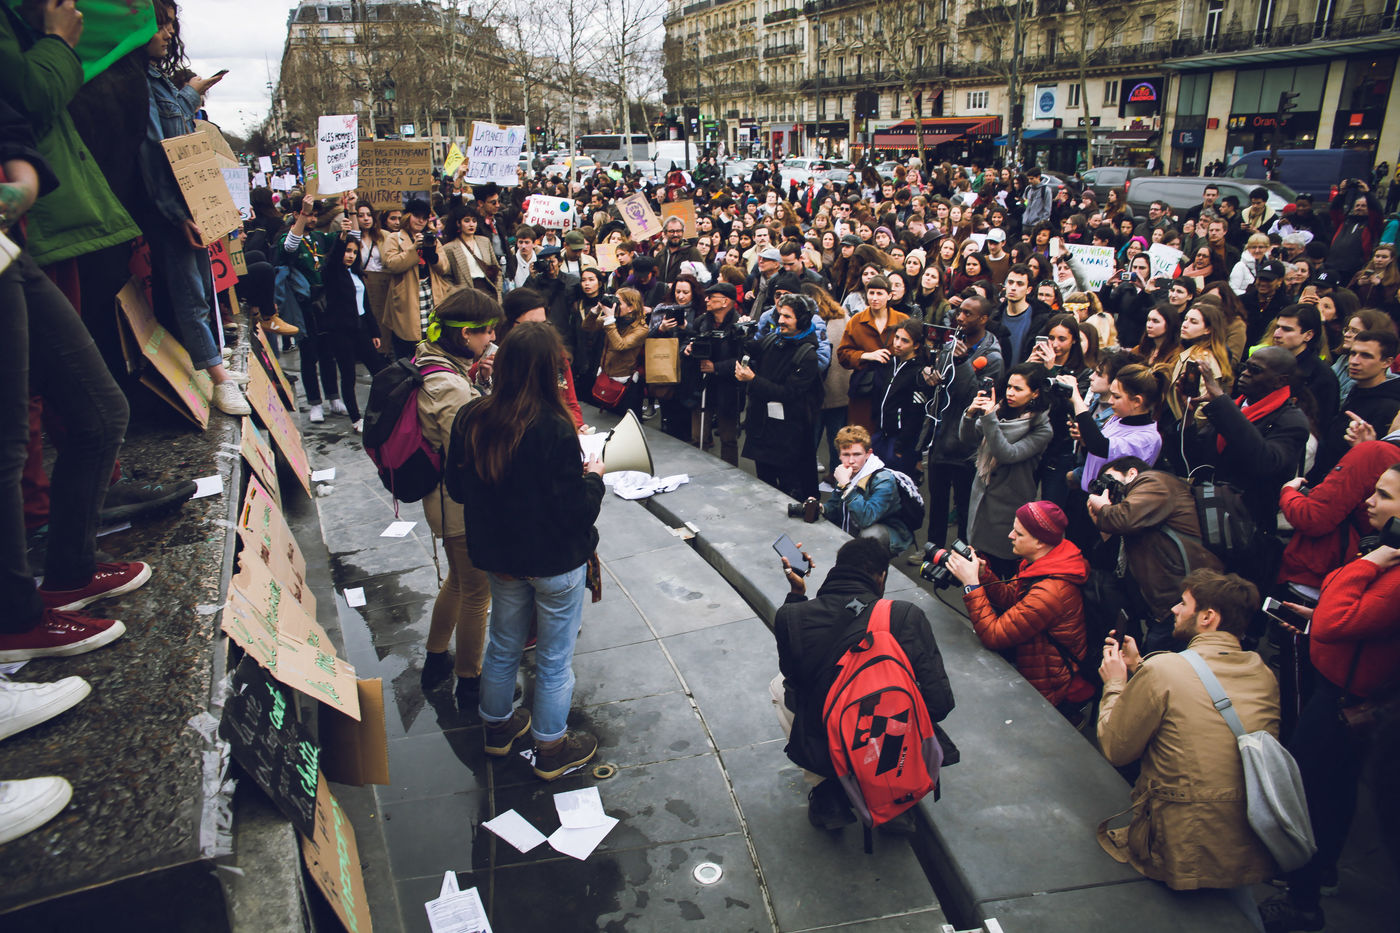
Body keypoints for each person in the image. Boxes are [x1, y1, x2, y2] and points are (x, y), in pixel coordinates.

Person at [452, 322, 604, 781]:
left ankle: (497, 729)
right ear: (545, 371)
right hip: (553, 561)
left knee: (503, 645)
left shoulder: (472, 416)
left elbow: (458, 489)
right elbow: (574, 511)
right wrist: (594, 478)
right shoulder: (552, 426)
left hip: (501, 558)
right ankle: (551, 747)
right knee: (554, 659)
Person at [1259, 464, 1400, 933]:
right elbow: (1339, 608)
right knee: (1333, 788)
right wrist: (1317, 616)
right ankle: (1320, 873)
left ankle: (1303, 901)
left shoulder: (1392, 568)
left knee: (1313, 791)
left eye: (1384, 496)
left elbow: (1341, 617)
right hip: (1336, 686)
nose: (1370, 502)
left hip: (1345, 701)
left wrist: (1371, 562)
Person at [1096, 570, 1278, 930]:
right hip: (1244, 839)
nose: (1175, 610)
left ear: (1208, 617)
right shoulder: (1263, 673)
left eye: (1184, 603)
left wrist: (1117, 684)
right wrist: (1140, 667)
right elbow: (1198, 698)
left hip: (1178, 842)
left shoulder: (1165, 669)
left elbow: (1116, 748)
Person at [771, 536, 957, 828]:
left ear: (837, 569)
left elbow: (794, 679)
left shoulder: (791, 615)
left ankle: (827, 791)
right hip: (888, 740)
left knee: (780, 686)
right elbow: (939, 703)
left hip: (826, 739)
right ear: (881, 577)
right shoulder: (904, 616)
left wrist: (797, 593)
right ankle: (893, 790)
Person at [138, 0, 249, 415]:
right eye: (161, 24)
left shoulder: (158, 81)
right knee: (190, 293)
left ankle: (214, 362)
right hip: (175, 210)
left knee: (202, 287)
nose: (169, 33)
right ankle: (218, 379)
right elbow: (153, 154)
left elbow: (174, 122)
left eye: (172, 24)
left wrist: (192, 92)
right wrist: (176, 214)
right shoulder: (140, 84)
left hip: (191, 205)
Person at [415, 288, 496, 704]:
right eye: (487, 331)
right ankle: (469, 679)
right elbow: (466, 452)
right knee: (477, 592)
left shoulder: (429, 359)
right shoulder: (448, 385)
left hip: (443, 500)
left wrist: (477, 380)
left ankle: (435, 658)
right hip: (457, 506)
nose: (491, 338)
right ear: (465, 333)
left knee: (457, 581)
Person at [947, 501, 1091, 713]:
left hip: (1046, 687)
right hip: (1032, 661)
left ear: (1039, 541)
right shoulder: (1043, 562)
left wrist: (971, 585)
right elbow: (1012, 599)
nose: (1010, 535)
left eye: (1019, 533)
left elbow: (993, 635)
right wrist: (983, 575)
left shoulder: (1049, 592)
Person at [958, 363, 1054, 579]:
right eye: (1009, 387)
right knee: (978, 571)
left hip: (1010, 506)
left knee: (1003, 575)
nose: (1010, 393)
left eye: (1018, 389)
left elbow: (1007, 454)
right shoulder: (999, 411)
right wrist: (970, 414)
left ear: (1035, 393)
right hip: (981, 499)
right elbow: (967, 439)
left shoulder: (1041, 427)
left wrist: (989, 418)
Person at [737, 293, 824, 501]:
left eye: (787, 317)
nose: (781, 321)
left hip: (789, 437)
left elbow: (788, 393)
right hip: (762, 429)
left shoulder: (808, 355)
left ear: (802, 321)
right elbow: (751, 348)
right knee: (764, 485)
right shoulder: (774, 339)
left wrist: (752, 379)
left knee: (789, 490)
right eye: (780, 315)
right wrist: (742, 332)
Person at [1311, 328, 1400, 481]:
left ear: (1387, 362)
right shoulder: (1357, 390)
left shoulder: (1389, 407)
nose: (1354, 361)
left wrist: (1366, 448)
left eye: (1366, 356)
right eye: (1353, 353)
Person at [823, 426, 913, 556]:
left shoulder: (883, 479)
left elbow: (866, 518)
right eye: (846, 455)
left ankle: (871, 564)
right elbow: (834, 505)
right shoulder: (844, 472)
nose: (851, 461)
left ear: (868, 453)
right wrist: (821, 508)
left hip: (887, 531)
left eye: (857, 454)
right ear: (839, 455)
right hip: (856, 526)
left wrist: (847, 486)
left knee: (870, 536)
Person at [581, 286, 647, 416]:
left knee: (624, 419)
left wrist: (610, 319)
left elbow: (620, 345)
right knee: (607, 416)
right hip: (606, 375)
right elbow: (587, 326)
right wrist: (596, 310)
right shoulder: (614, 319)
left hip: (626, 382)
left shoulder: (641, 329)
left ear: (631, 307)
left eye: (619, 303)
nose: (615, 305)